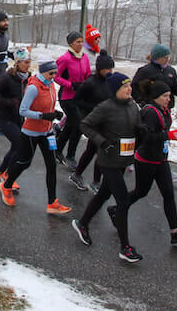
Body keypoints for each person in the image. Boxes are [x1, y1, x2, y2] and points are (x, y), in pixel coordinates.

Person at [70, 72, 144, 263]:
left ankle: (82, 223)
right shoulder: (105, 107)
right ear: (115, 90)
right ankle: (125, 247)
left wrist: (142, 132)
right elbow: (85, 125)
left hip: (124, 159)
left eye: (129, 86)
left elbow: (136, 127)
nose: (129, 89)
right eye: (124, 87)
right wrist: (102, 142)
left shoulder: (133, 106)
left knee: (103, 194)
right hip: (108, 160)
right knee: (123, 201)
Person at [124, 79, 177, 245]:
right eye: (165, 96)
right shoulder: (150, 112)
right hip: (146, 160)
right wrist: (168, 136)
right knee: (141, 191)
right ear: (155, 96)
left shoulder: (163, 110)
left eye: (169, 95)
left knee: (169, 195)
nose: (168, 99)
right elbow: (146, 137)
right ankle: (117, 208)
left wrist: (166, 136)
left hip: (161, 159)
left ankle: (175, 232)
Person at [0, 59, 71, 216]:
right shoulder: (33, 87)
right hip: (31, 133)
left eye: (55, 73)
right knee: (24, 163)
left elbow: (49, 104)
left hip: (47, 132)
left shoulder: (50, 84)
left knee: (51, 166)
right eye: (51, 73)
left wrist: (55, 113)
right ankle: (7, 185)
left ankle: (52, 202)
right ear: (43, 72)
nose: (54, 76)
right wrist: (43, 115)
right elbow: (23, 111)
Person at [69, 52, 115, 193]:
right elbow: (76, 100)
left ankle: (86, 178)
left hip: (107, 122)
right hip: (94, 122)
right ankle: (90, 179)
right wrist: (92, 109)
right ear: (99, 69)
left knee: (95, 151)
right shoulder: (90, 83)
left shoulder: (111, 81)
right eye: (107, 69)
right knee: (97, 150)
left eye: (111, 69)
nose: (110, 72)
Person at [0, 48, 30, 186]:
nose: (28, 65)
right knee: (20, 146)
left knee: (15, 147)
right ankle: (8, 175)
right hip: (4, 117)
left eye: (29, 62)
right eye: (25, 62)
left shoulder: (28, 78)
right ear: (17, 63)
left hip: (18, 118)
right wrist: (10, 102)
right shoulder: (7, 78)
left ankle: (0, 172)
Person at [55, 31, 92, 169]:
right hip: (67, 97)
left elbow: (88, 74)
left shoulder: (84, 58)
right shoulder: (65, 58)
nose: (81, 44)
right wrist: (71, 85)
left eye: (82, 41)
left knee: (71, 124)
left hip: (80, 96)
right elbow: (56, 76)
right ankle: (70, 156)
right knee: (79, 124)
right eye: (78, 42)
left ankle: (57, 150)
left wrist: (89, 83)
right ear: (71, 43)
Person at [131, 44, 177, 109]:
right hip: (151, 109)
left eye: (168, 57)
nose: (168, 59)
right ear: (157, 57)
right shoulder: (145, 71)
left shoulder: (171, 70)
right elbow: (134, 88)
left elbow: (175, 87)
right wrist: (141, 102)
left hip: (167, 108)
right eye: (165, 57)